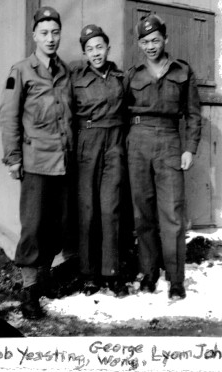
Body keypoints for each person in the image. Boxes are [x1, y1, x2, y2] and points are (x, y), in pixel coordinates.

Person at [0, 6, 73, 319]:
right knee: (32, 226)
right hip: (34, 162)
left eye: (55, 32)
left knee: (56, 225)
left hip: (62, 162)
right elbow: (8, 115)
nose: (51, 38)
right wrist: (13, 157)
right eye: (44, 33)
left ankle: (42, 280)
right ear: (34, 36)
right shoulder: (21, 71)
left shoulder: (64, 71)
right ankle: (29, 290)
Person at [125, 13, 201, 299]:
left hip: (169, 141)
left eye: (155, 40)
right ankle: (148, 272)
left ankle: (176, 278)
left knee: (172, 214)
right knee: (142, 213)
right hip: (138, 142)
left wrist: (190, 148)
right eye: (145, 41)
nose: (151, 46)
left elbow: (194, 114)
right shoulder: (133, 75)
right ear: (139, 44)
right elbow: (122, 113)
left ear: (165, 39)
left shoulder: (182, 71)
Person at [70, 24, 129, 297]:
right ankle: (89, 274)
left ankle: (112, 273)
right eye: (90, 49)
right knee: (87, 210)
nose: (96, 53)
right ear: (84, 53)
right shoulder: (75, 77)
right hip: (87, 142)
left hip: (114, 143)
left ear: (108, 48)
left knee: (111, 209)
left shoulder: (120, 76)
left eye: (100, 47)